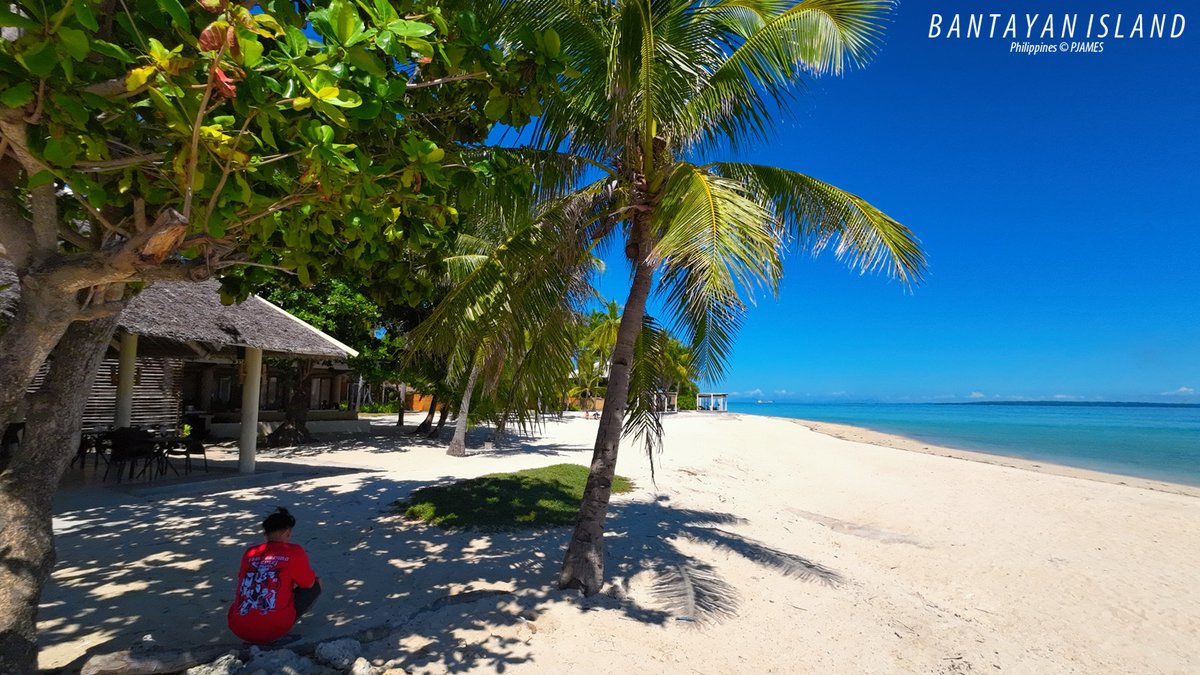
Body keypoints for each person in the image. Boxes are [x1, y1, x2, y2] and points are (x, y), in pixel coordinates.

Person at [227, 507, 322, 644]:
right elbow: (308, 583)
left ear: (265, 533)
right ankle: (278, 632)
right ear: (288, 532)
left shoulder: (250, 553)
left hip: (238, 627)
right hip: (273, 626)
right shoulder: (294, 552)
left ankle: (255, 624)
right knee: (317, 584)